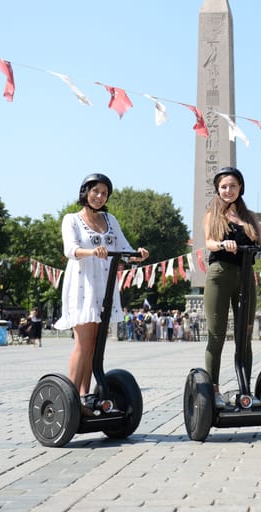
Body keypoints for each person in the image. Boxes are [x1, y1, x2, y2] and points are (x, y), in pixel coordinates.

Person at [54, 173, 148, 405]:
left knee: (95, 346)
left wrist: (139, 254)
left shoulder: (110, 220)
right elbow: (70, 250)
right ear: (85, 192)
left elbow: (124, 248)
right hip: (82, 285)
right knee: (84, 344)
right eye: (95, 191)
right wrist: (92, 252)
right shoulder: (72, 219)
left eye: (104, 193)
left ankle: (86, 396)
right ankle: (71, 399)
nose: (99, 196)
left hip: (104, 287)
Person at [202, 167, 261, 408]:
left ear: (240, 188)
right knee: (217, 335)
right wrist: (222, 244)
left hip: (246, 275)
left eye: (233, 186)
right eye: (224, 187)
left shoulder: (249, 216)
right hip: (220, 274)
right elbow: (209, 242)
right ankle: (213, 389)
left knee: (244, 335)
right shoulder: (212, 215)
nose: (228, 190)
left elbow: (259, 242)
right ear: (218, 189)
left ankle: (245, 387)